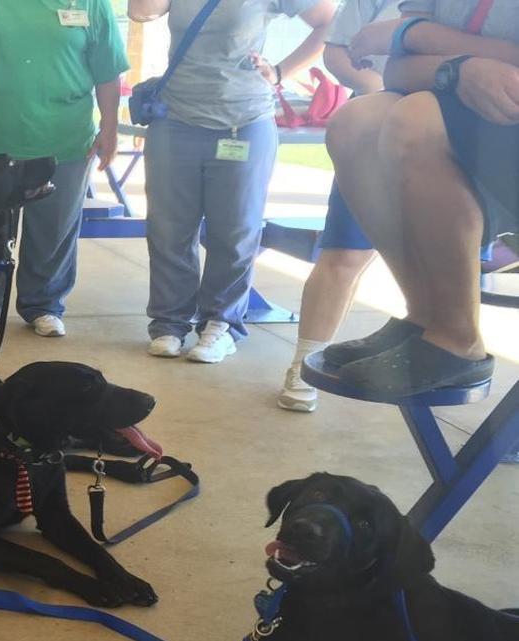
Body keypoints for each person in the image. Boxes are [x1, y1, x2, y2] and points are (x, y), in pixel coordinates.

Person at [317, 0, 518, 397]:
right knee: (354, 124)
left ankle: (458, 339)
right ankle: (428, 314)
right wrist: (458, 67)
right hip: (480, 131)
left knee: (417, 119)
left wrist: (412, 34)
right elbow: (398, 69)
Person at [129, 0, 336, 364]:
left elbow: (329, 24)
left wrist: (280, 70)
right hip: (175, 118)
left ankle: (220, 325)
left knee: (235, 230)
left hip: (243, 120)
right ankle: (169, 323)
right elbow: (140, 11)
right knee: (168, 228)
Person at [0, 0, 129, 338]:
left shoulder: (92, 4)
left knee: (54, 228)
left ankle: (44, 304)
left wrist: (110, 127)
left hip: (63, 138)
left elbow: (108, 70)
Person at [277, 0, 399, 412]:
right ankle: (305, 364)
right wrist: (376, 87)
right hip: (375, 130)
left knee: (456, 262)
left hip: (462, 135)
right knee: (343, 255)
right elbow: (337, 48)